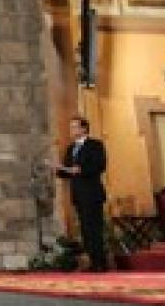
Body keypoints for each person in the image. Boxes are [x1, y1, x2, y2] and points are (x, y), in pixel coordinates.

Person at [55, 116, 108, 272]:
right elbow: (67, 171)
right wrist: (59, 170)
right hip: (78, 194)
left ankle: (100, 263)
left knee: (95, 228)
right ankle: (92, 261)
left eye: (75, 127)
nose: (72, 130)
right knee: (85, 229)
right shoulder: (71, 148)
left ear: (84, 129)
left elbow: (100, 165)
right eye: (71, 127)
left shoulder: (95, 145)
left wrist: (81, 170)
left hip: (92, 192)